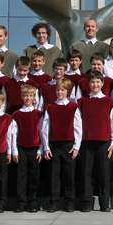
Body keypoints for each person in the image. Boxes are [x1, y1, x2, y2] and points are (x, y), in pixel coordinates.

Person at [78, 72, 113, 212]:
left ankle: (104, 203)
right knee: (86, 173)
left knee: (103, 173)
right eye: (93, 82)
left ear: (102, 84)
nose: (95, 85)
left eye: (98, 82)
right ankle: (87, 202)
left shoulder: (109, 102)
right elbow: (78, 124)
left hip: (103, 141)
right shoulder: (82, 101)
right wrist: (78, 143)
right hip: (87, 141)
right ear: (89, 84)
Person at [41, 77, 82, 213]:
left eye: (63, 90)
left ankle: (70, 202)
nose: (60, 92)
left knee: (69, 174)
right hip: (54, 144)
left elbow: (78, 128)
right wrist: (46, 147)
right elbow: (45, 128)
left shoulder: (73, 107)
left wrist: (76, 146)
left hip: (68, 144)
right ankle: (54, 202)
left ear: (68, 92)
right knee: (54, 174)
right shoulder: (50, 107)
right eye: (58, 90)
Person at [11, 85, 44, 213]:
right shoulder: (17, 114)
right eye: (26, 95)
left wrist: (41, 150)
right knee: (21, 176)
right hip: (22, 148)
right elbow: (14, 133)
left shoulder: (38, 114)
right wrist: (14, 151)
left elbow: (41, 132)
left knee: (34, 176)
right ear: (22, 97)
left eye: (30, 95)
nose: (28, 98)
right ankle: (21, 202)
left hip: (34, 148)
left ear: (34, 97)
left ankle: (33, 202)